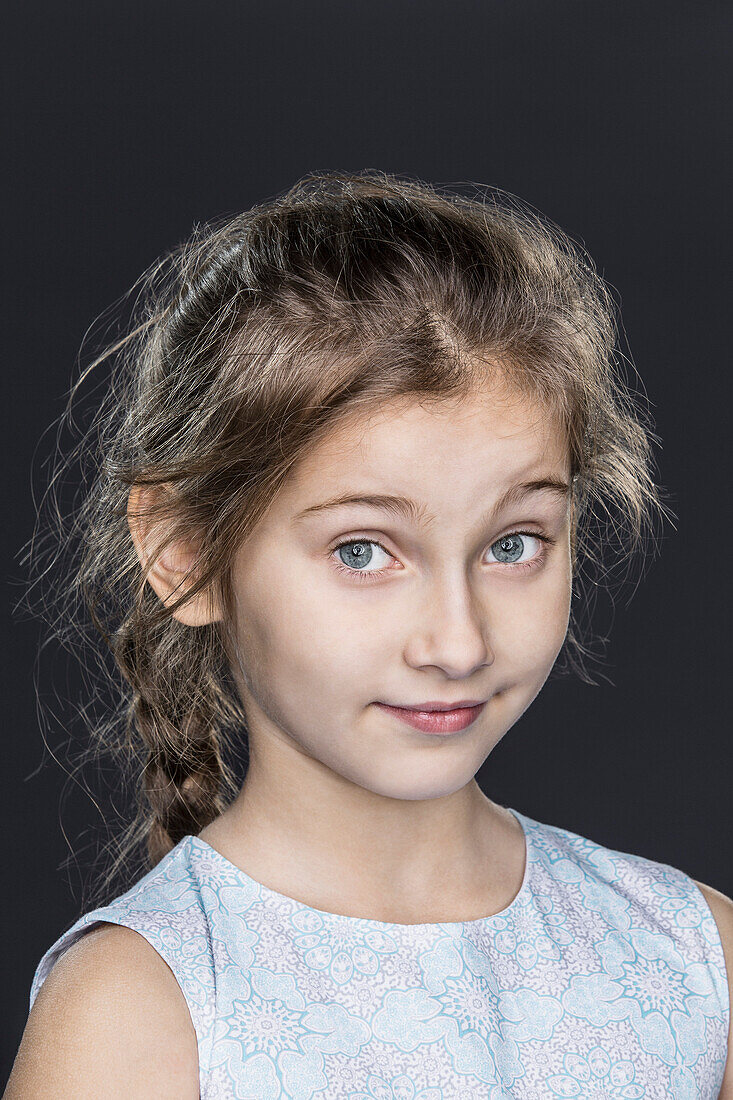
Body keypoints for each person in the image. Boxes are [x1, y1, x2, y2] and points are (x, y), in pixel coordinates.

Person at [6, 170, 731, 1099]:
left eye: (512, 543)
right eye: (361, 552)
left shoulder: (691, 962)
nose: (457, 643)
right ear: (184, 552)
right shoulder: (137, 1015)